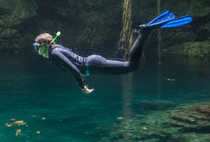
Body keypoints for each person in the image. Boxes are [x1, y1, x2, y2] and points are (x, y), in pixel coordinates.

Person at [33, 11, 192, 93]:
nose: (37, 50)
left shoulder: (55, 54)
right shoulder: (55, 49)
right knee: (129, 65)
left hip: (93, 65)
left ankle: (144, 33)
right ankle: (143, 33)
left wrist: (82, 86)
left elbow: (74, 69)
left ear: (44, 46)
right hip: (94, 63)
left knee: (131, 66)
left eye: (37, 46)